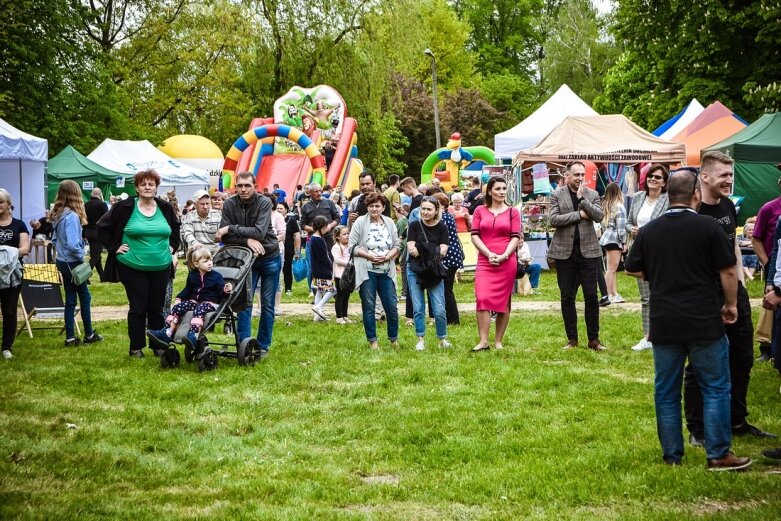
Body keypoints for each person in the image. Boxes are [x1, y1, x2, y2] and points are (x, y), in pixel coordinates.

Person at [624, 171, 751, 471]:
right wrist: (731, 304)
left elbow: (631, 268)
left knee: (666, 390)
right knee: (716, 386)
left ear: (668, 194)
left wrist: (656, 273)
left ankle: (672, 457)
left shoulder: (651, 230)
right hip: (704, 318)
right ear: (696, 192)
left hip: (664, 320)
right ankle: (718, 454)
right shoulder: (708, 227)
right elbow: (729, 270)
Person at [683, 152, 776, 445]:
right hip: (704, 296)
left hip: (734, 290)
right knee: (700, 363)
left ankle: (737, 420)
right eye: (724, 175)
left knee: (742, 357)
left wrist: (739, 279)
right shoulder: (693, 212)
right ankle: (697, 430)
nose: (729, 181)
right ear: (705, 177)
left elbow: (732, 243)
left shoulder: (727, 206)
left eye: (731, 175)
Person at [97, 170, 180, 358]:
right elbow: (102, 227)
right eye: (143, 184)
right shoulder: (124, 207)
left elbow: (175, 229)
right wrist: (114, 247)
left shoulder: (165, 207)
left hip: (161, 267)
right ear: (136, 187)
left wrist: (173, 247)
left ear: (156, 187)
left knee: (157, 308)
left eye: (151, 184)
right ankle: (136, 347)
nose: (147, 187)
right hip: (132, 266)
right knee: (138, 307)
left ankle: (158, 344)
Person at [216, 172, 280, 359]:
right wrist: (247, 241)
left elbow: (259, 232)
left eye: (247, 185)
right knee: (244, 302)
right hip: (245, 259)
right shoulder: (229, 204)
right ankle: (244, 344)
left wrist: (230, 228)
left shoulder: (264, 203)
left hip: (269, 256)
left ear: (255, 186)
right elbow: (224, 239)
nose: (243, 189)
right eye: (240, 186)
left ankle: (263, 345)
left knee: (267, 304)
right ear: (235, 186)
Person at [549, 162, 606, 351]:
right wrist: (579, 215)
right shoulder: (556, 194)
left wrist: (583, 201)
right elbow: (554, 220)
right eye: (576, 174)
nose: (580, 178)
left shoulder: (593, 194)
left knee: (591, 296)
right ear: (567, 176)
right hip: (564, 253)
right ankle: (572, 339)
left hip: (588, 253)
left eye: (582, 174)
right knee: (567, 297)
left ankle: (594, 340)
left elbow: (599, 216)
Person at [147, 247, 232, 353]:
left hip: (211, 304)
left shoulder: (217, 276)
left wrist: (225, 290)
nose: (210, 263)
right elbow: (187, 290)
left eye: (210, 260)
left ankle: (193, 335)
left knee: (200, 308)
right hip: (195, 302)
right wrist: (179, 298)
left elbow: (221, 295)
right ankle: (167, 332)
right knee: (178, 307)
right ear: (196, 264)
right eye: (205, 261)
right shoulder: (193, 275)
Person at [470, 176, 521, 352]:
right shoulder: (479, 211)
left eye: (503, 188)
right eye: (497, 188)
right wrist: (489, 253)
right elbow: (475, 235)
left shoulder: (513, 212)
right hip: (485, 260)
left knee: (503, 302)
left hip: (507, 261)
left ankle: (498, 340)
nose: (501, 192)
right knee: (482, 297)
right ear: (490, 191)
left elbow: (516, 236)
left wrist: (505, 255)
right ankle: (483, 341)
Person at [51, 181, 104, 347]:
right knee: (85, 297)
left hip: (62, 260)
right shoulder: (72, 216)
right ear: (76, 194)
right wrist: (82, 254)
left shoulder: (58, 214)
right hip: (72, 261)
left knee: (71, 299)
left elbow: (54, 239)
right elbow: (73, 244)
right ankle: (88, 334)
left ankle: (70, 337)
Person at [625, 163, 670, 351]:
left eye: (657, 177)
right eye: (651, 176)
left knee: (663, 295)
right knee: (646, 298)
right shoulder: (637, 198)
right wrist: (632, 230)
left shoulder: (668, 200)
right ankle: (648, 336)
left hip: (661, 253)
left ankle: (666, 334)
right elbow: (628, 222)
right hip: (641, 251)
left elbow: (669, 225)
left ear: (664, 182)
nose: (652, 179)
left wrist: (648, 231)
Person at [348, 193, 400, 350]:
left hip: (387, 271)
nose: (374, 209)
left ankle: (393, 339)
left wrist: (388, 257)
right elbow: (352, 247)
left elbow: (397, 245)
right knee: (369, 306)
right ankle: (373, 340)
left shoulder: (390, 222)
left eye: (377, 206)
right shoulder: (360, 222)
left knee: (391, 306)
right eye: (371, 206)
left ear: (383, 207)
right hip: (367, 271)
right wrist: (369, 256)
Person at [406, 196, 452, 350]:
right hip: (415, 270)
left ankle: (442, 338)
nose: (425, 212)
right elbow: (411, 248)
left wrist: (424, 249)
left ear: (436, 210)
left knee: (439, 309)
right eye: (423, 208)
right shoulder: (414, 225)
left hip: (434, 270)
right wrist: (432, 249)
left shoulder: (442, 227)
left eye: (429, 209)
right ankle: (420, 339)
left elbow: (443, 250)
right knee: (418, 307)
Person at [752, 174, 781, 361]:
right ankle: (766, 349)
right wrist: (766, 263)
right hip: (775, 269)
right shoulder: (769, 208)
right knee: (770, 310)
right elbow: (756, 238)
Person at [0, 188, 29, 358]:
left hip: (12, 275)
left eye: (0, 202)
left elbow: (25, 249)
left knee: (9, 311)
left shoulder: (19, 224)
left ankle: (7, 347)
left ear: (8, 204)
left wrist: (5, 254)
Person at [432, 192, 464, 325]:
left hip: (448, 258)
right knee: (447, 289)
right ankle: (450, 318)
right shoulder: (449, 216)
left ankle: (453, 319)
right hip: (454, 256)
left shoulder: (443, 218)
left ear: (441, 205)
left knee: (446, 290)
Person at [599, 182, 627, 304]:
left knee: (612, 269)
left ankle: (613, 293)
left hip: (607, 238)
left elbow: (602, 224)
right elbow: (621, 227)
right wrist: (624, 241)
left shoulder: (606, 206)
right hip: (615, 239)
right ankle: (607, 294)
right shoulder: (619, 206)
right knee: (611, 269)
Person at [310, 215, 336, 321]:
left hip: (317, 270)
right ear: (322, 227)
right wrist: (332, 268)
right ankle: (319, 306)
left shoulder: (314, 238)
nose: (328, 229)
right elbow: (324, 257)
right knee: (334, 289)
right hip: (324, 270)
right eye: (326, 227)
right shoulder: (318, 240)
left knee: (320, 291)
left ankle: (317, 317)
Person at [181, 189, 221, 254]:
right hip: (196, 252)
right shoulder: (189, 216)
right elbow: (188, 234)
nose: (205, 207)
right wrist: (195, 243)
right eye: (202, 204)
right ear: (195, 205)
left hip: (215, 253)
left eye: (207, 203)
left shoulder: (217, 215)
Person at [84, 188, 108, 280]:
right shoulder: (102, 204)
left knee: (96, 254)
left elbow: (84, 219)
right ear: (100, 194)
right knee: (95, 256)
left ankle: (103, 276)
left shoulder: (86, 204)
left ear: (91, 194)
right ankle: (84, 276)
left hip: (88, 232)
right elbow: (106, 219)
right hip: (98, 233)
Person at [331, 225, 353, 324]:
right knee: (340, 296)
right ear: (337, 237)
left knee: (346, 295)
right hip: (339, 275)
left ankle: (345, 315)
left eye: (348, 234)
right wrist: (349, 263)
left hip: (348, 275)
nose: (347, 236)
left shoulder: (350, 246)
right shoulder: (336, 247)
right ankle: (339, 316)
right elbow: (337, 260)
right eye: (344, 234)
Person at [280, 201, 301, 294]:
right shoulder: (272, 219)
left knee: (287, 269)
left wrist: (297, 251)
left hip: (288, 249)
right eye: (277, 208)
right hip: (275, 249)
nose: (279, 210)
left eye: (281, 208)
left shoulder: (291, 220)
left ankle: (288, 289)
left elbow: (297, 236)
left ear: (286, 210)